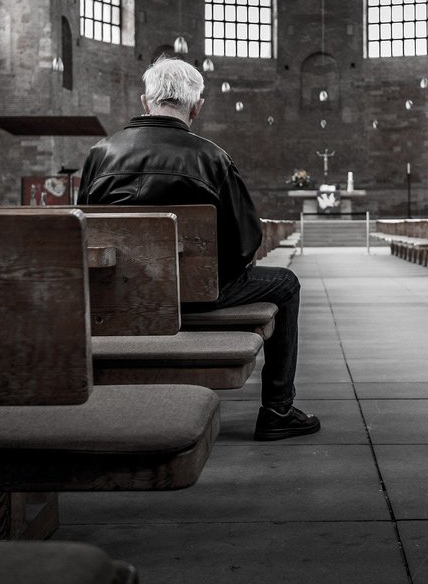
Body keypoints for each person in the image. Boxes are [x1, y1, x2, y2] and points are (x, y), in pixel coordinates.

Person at [77, 57, 321, 442]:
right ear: (197, 106)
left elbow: (87, 234)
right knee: (286, 283)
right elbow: (247, 242)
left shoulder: (99, 154)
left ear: (145, 101)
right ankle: (278, 409)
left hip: (124, 298)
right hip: (202, 296)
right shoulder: (213, 157)